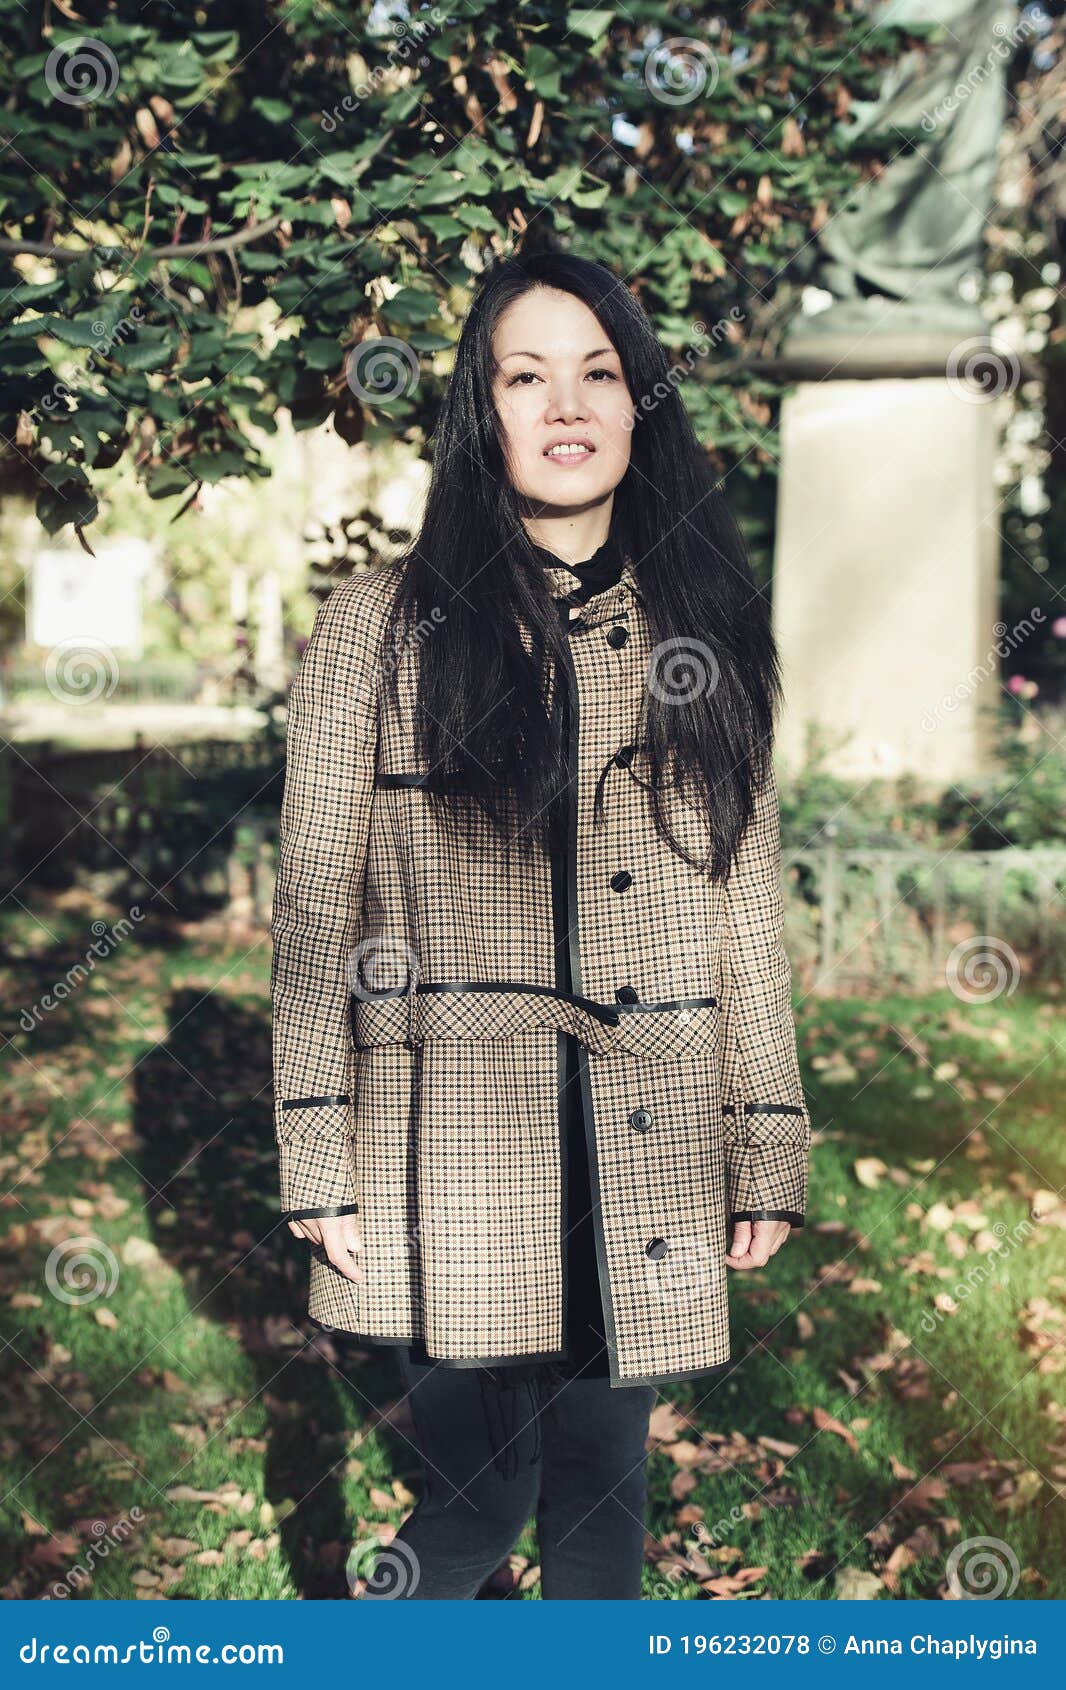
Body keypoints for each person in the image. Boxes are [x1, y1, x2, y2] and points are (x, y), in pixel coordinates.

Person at [270, 249, 812, 1600]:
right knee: (474, 1498)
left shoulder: (707, 626)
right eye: (526, 375)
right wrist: (316, 1151)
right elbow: (313, 909)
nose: (566, 406)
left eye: (598, 372)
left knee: (602, 1502)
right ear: (480, 411)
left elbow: (743, 908)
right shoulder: (377, 625)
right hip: (444, 1134)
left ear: (640, 406)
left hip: (645, 1133)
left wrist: (765, 1136)